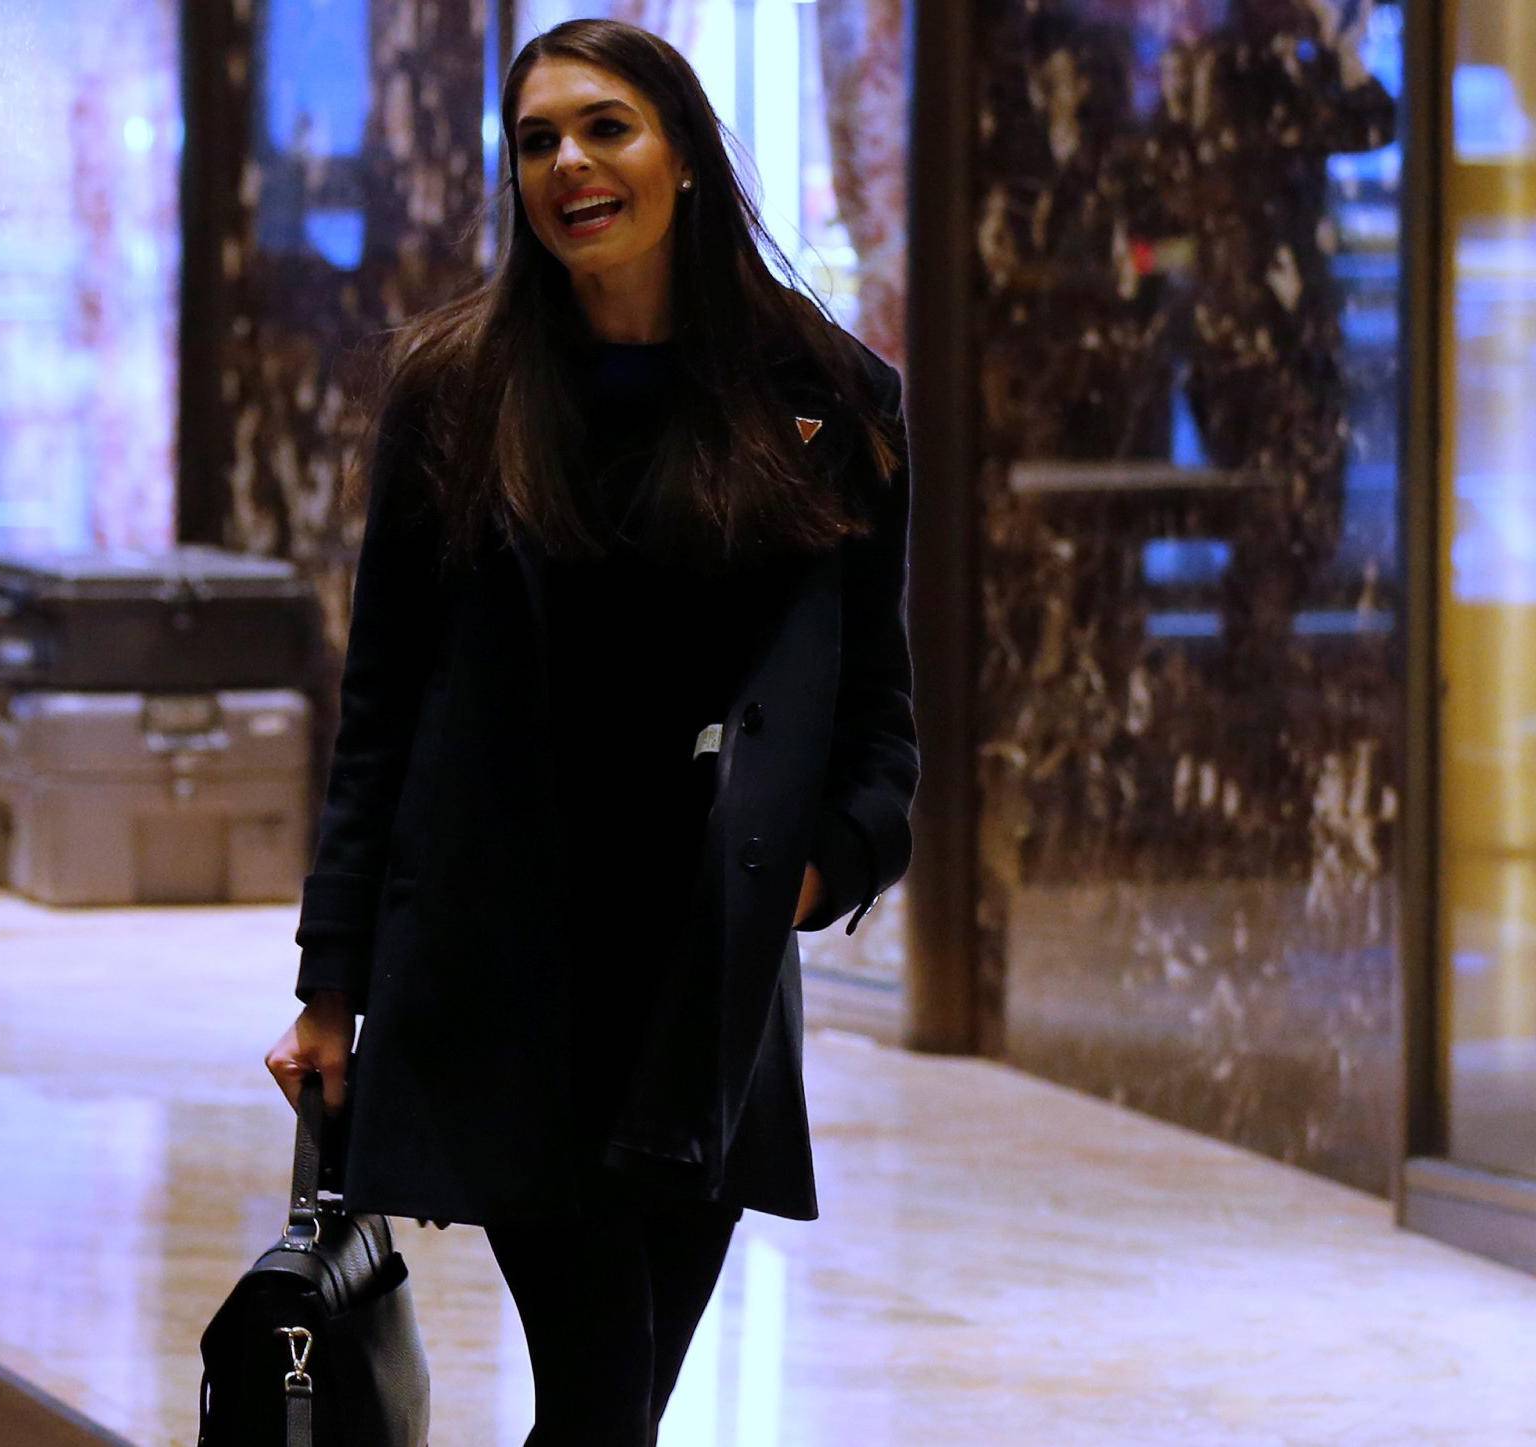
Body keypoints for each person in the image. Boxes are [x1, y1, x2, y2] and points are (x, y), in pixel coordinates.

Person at [264, 19, 920, 1442]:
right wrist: (331, 983)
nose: (570, 162)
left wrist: (814, 873)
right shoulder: (458, 392)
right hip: (505, 971)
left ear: (682, 153)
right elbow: (379, 706)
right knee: (599, 1380)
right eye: (538, 139)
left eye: (606, 126)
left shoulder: (829, 402)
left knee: (613, 1401)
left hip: (705, 988)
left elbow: (879, 722)